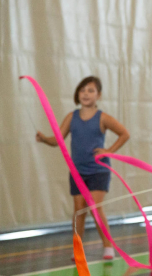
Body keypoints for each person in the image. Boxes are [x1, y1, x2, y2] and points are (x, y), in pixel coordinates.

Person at [36, 76, 130, 260]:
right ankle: (78, 249)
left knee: (95, 207)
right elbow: (57, 140)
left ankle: (107, 246)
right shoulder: (72, 117)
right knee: (79, 209)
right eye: (83, 90)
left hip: (98, 170)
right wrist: (44, 139)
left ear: (99, 95)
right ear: (77, 94)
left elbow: (124, 134)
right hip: (77, 171)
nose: (86, 94)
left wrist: (108, 151)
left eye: (91, 90)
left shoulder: (103, 118)